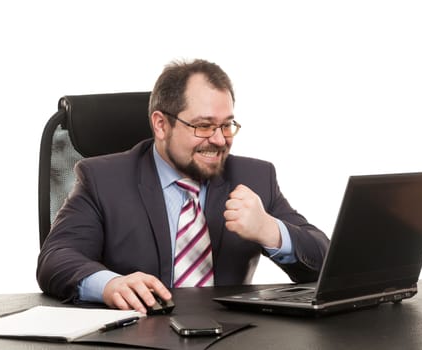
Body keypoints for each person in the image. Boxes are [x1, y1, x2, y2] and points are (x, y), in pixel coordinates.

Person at [37, 58, 330, 314]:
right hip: (139, 335)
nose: (219, 139)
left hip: (230, 336)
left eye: (227, 125)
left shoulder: (254, 176)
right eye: (203, 126)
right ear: (161, 125)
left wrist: (271, 231)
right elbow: (56, 258)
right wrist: (109, 284)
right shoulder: (102, 179)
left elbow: (325, 261)